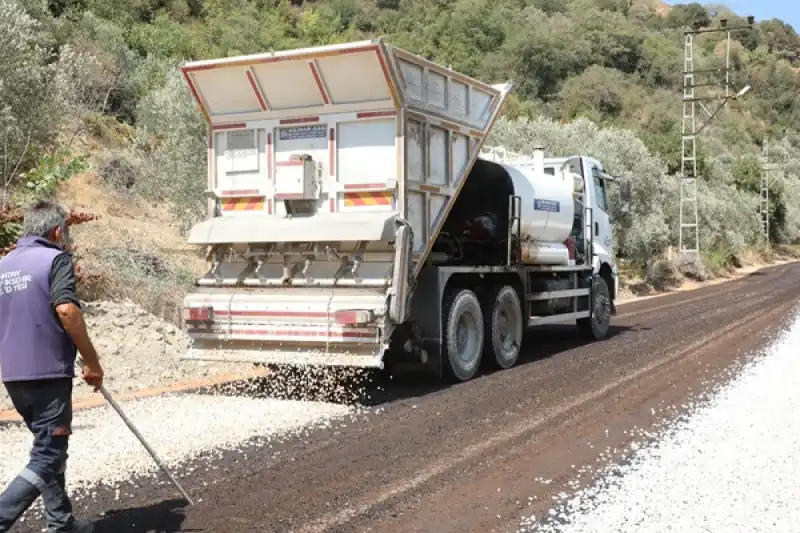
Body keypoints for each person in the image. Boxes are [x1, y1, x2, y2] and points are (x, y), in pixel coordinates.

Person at [0, 200, 104, 533]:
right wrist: (91, 361)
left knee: (49, 447)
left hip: (13, 375)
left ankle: (61, 522)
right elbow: (67, 311)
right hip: (48, 374)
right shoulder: (55, 259)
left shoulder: (4, 265)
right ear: (57, 231)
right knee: (48, 455)